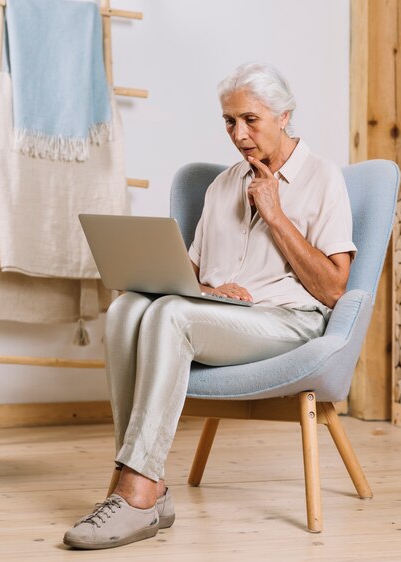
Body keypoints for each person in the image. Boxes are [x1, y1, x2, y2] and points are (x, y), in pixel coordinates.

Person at [63, 62, 357, 550]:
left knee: (169, 315)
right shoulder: (222, 186)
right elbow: (194, 276)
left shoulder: (323, 178)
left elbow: (334, 290)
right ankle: (139, 484)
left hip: (288, 321)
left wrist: (276, 215)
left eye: (250, 119)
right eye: (228, 121)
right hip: (223, 317)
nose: (238, 134)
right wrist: (211, 291)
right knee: (127, 309)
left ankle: (137, 492)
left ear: (284, 116)